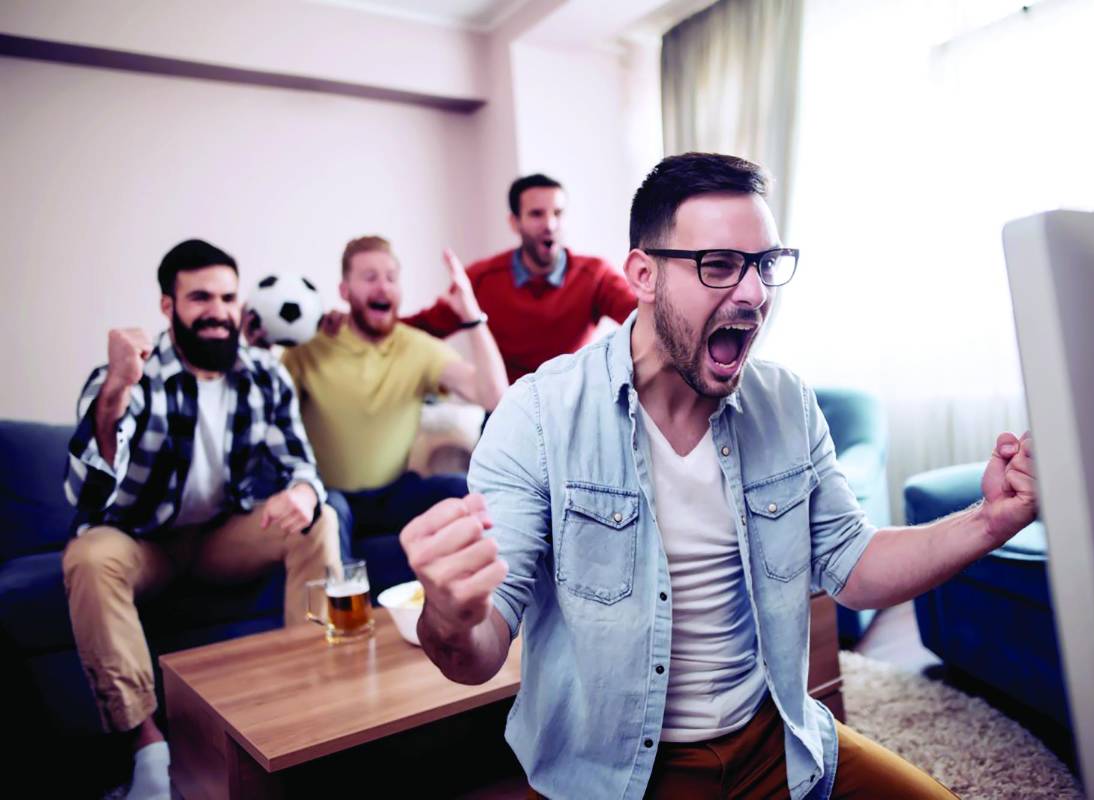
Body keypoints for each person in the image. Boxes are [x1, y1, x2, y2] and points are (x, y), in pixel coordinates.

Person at [398, 154, 1039, 799]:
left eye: (763, 265)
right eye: (720, 265)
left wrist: (991, 520)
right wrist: (451, 617)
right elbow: (476, 656)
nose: (756, 292)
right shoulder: (537, 417)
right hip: (620, 778)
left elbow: (854, 564)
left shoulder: (785, 401)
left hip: (778, 743)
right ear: (643, 275)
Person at [63, 239, 339, 800]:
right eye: (200, 297)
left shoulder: (264, 373)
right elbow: (86, 494)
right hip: (145, 544)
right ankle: (148, 753)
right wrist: (117, 388)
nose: (217, 311)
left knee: (322, 519)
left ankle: (315, 704)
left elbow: (301, 464)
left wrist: (305, 495)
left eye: (227, 297)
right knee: (87, 555)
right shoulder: (128, 376)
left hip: (222, 539)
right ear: (168, 307)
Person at [278, 236, 507, 583]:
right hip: (332, 495)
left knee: (461, 490)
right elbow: (270, 409)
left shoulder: (416, 347)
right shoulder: (310, 346)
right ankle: (341, 619)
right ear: (344, 290)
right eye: (369, 278)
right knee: (327, 514)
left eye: (390, 277)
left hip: (393, 492)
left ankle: (466, 603)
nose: (382, 286)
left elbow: (493, 397)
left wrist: (471, 316)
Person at [402, 174, 638, 382]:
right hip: (507, 407)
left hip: (573, 407)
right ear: (515, 223)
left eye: (558, 213)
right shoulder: (481, 278)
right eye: (536, 214)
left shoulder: (594, 275)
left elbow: (643, 317)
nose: (550, 224)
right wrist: (368, 321)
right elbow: (423, 328)